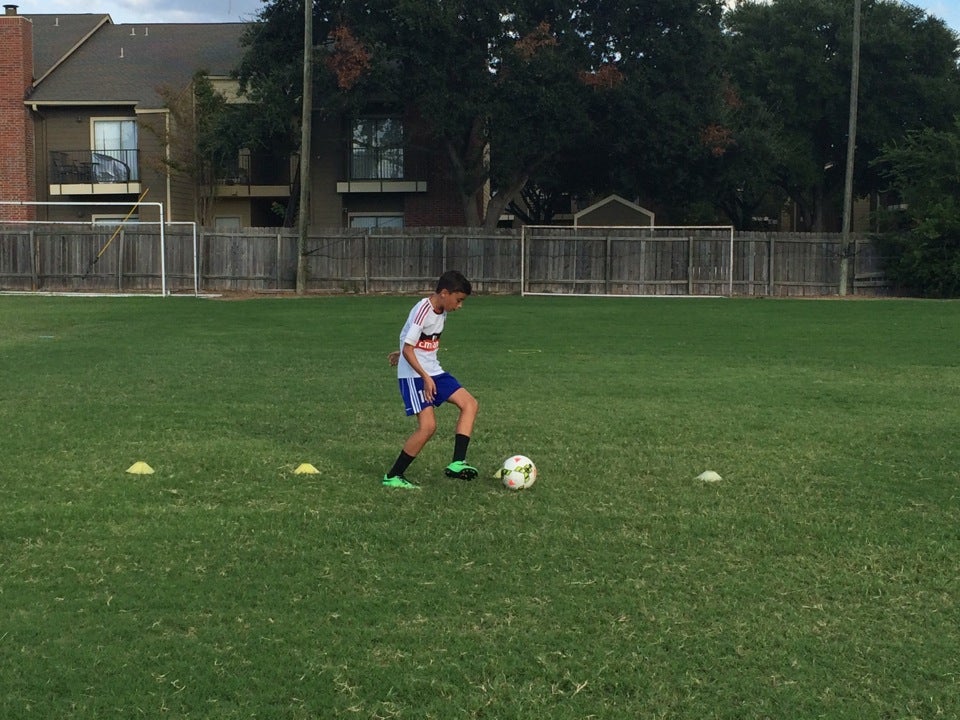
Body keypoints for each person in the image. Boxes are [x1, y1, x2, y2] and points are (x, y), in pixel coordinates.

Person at [383, 270, 479, 489]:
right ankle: (393, 476)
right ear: (444, 293)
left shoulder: (442, 310)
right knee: (428, 427)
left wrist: (403, 352)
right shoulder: (423, 310)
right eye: (458, 300)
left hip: (433, 371)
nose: (460, 306)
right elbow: (409, 347)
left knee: (470, 404)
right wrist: (423, 375)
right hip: (415, 375)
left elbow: (414, 341)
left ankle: (457, 463)